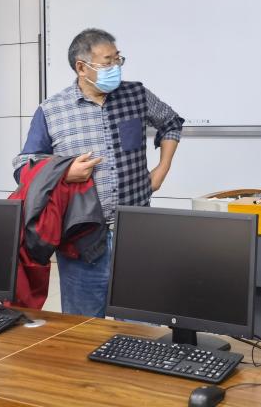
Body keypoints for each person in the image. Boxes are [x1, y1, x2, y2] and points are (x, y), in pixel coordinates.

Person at [13, 28, 184, 317]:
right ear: (82, 67)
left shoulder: (136, 95)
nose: (116, 67)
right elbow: (23, 166)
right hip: (82, 239)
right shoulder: (52, 110)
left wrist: (162, 168)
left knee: (138, 326)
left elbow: (171, 122)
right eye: (108, 62)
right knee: (83, 327)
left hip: (136, 233)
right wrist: (65, 172)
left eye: (118, 59)